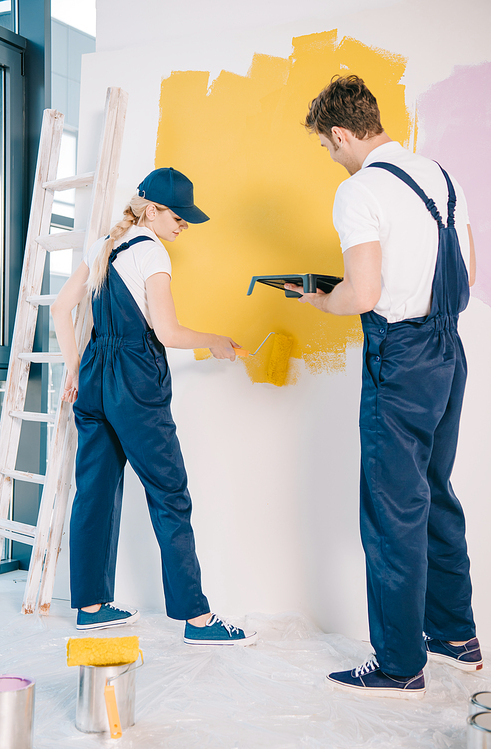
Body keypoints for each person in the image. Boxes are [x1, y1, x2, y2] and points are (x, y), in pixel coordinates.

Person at [285, 75, 480, 698]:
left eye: (326, 146)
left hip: (399, 360)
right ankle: (455, 636)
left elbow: (363, 295)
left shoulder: (359, 190)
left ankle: (400, 663)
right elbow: (467, 276)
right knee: (435, 493)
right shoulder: (440, 176)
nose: (331, 157)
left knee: (393, 511)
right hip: (449, 350)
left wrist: (323, 301)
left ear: (341, 133)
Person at [51, 166, 257, 646]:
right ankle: (197, 619)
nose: (184, 225)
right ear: (153, 209)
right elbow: (168, 333)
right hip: (135, 381)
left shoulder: (102, 243)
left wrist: (75, 369)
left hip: (96, 372)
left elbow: (62, 309)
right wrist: (218, 342)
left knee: (94, 491)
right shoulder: (152, 252)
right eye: (179, 216)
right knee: (169, 494)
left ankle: (90, 607)